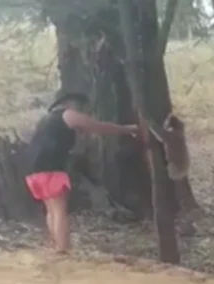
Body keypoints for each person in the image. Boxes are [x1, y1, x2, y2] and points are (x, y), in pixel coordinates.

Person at [19, 91, 138, 253]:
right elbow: (98, 127)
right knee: (60, 210)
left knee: (51, 210)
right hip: (52, 168)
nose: (81, 110)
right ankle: (63, 249)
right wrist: (127, 129)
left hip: (33, 170)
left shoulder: (46, 120)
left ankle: (56, 245)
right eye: (80, 106)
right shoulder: (68, 114)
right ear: (71, 103)